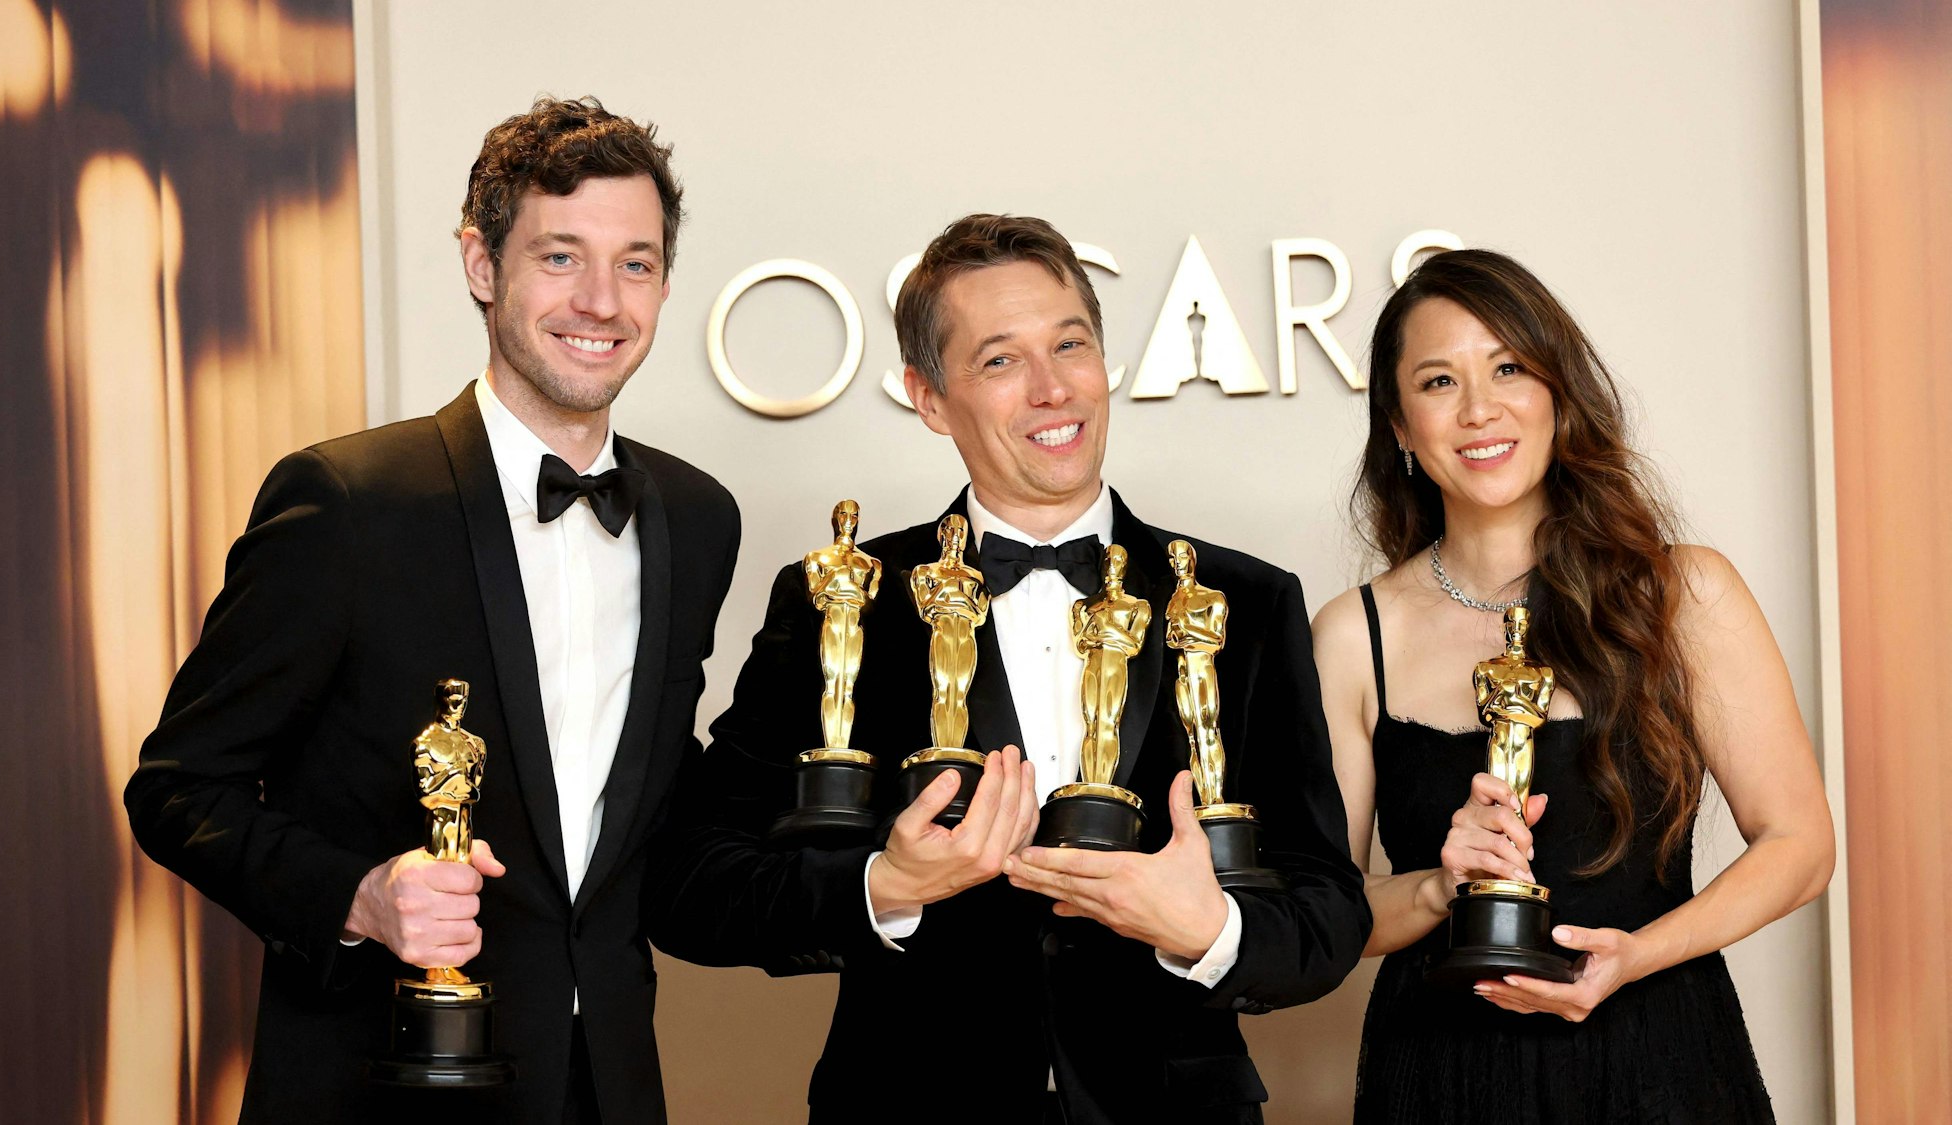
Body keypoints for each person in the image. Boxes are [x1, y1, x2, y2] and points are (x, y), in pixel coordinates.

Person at [648, 214, 1370, 1123]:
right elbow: (687, 885)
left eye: (1071, 344)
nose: (1051, 388)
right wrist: (884, 885)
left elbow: (1330, 912)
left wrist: (1211, 930)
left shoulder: (1245, 602)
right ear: (929, 397)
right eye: (999, 361)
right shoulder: (844, 599)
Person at [125, 97, 738, 1123]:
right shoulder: (346, 503)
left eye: (634, 263)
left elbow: (650, 814)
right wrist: (358, 896)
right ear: (479, 264)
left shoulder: (695, 517)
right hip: (378, 1085)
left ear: (664, 285)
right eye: (558, 257)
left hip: (608, 1089)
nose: (601, 299)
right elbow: (181, 791)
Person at [1309, 249, 1834, 1123]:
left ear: (1558, 392)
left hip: (1657, 1053)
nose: (1481, 408)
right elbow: (1328, 914)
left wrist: (1634, 956)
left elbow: (1801, 844)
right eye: (1439, 381)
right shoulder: (1352, 634)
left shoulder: (1682, 593)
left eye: (1509, 367)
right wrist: (1441, 883)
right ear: (1399, 425)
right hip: (1439, 1075)